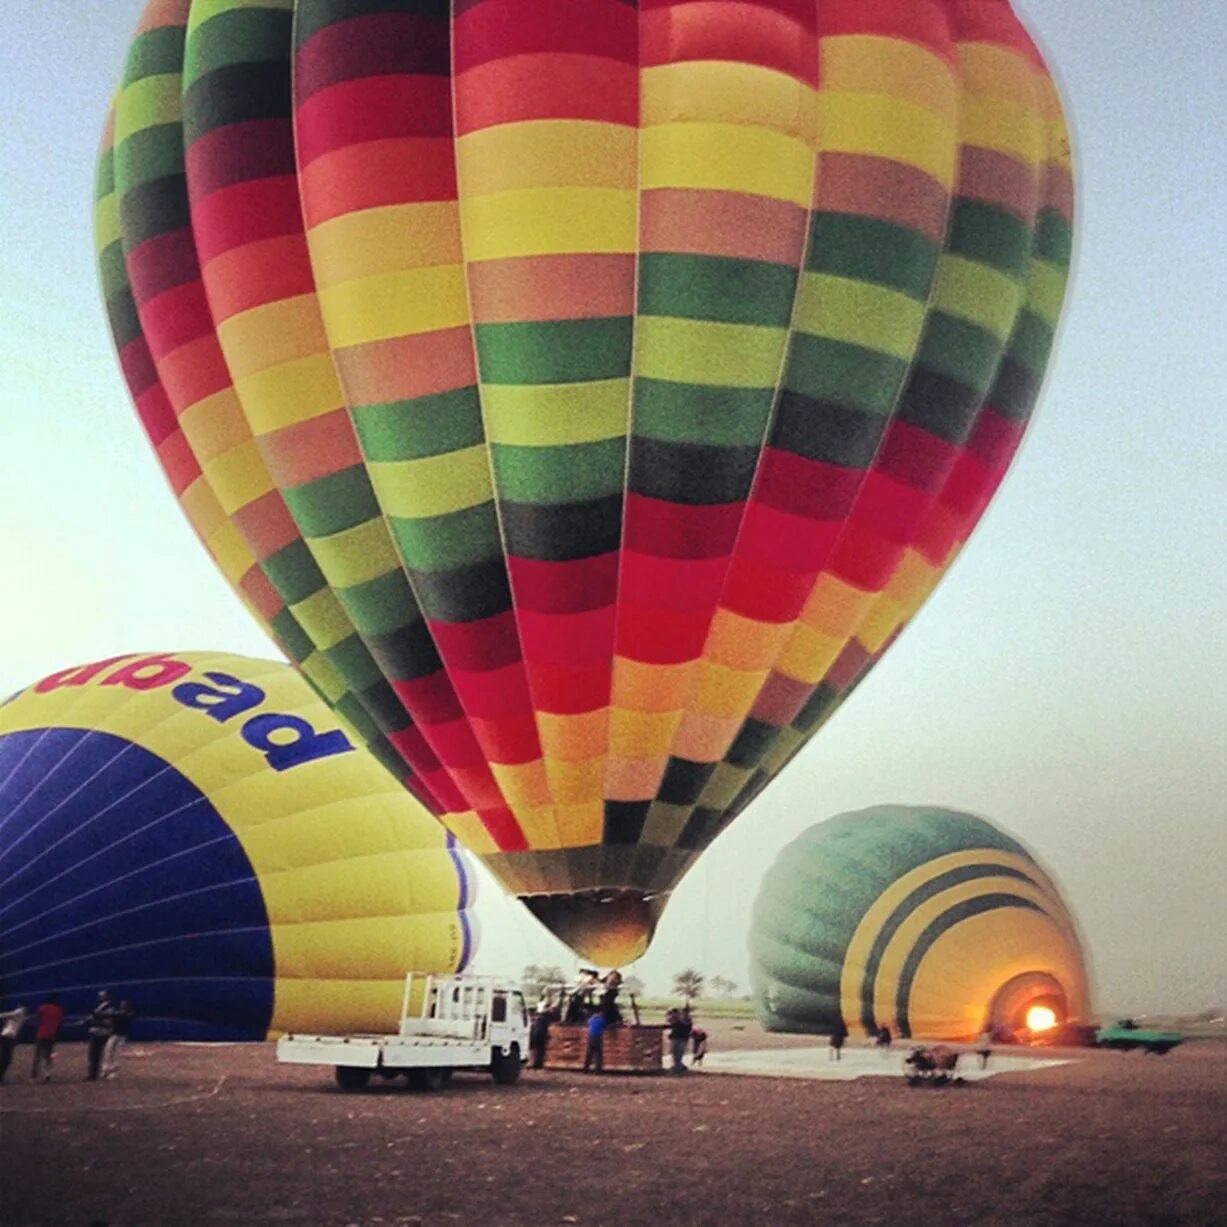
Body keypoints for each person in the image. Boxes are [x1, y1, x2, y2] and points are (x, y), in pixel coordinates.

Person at [31, 994, 65, 1083]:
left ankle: (34, 1076)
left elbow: (37, 1018)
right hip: (51, 1035)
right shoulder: (59, 1010)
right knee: (48, 1056)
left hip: (41, 1034)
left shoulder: (43, 1008)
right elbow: (60, 1023)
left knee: (37, 1056)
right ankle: (47, 1074)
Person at [86, 991, 116, 1081]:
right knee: (96, 1054)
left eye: (101, 996)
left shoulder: (108, 1008)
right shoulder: (103, 1007)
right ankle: (94, 1073)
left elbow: (103, 1019)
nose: (99, 997)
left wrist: (92, 1020)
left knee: (95, 1054)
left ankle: (93, 1074)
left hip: (100, 1032)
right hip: (100, 1031)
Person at [102, 1000, 135, 1079]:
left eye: (124, 1005)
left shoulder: (130, 1014)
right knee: (108, 1051)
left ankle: (113, 1071)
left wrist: (113, 1014)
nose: (122, 1006)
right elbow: (110, 1017)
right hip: (113, 1035)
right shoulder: (118, 1013)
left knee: (117, 1053)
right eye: (122, 1004)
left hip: (121, 1036)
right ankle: (105, 1070)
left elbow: (122, 1018)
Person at [0, 1003, 28, 1083]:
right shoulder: (19, 1012)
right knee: (6, 1058)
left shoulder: (19, 1016)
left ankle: (1, 1076)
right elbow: (6, 1014)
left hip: (8, 1037)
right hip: (8, 1036)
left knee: (6, 1058)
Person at [667, 1007, 692, 1074]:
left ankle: (677, 1067)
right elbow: (670, 1022)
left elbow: (686, 1025)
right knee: (675, 1054)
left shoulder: (687, 1020)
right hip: (676, 1038)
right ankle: (678, 1067)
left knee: (679, 1054)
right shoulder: (676, 1019)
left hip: (682, 1038)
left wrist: (677, 1019)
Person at [529, 1005, 552, 1070]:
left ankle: (535, 1064)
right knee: (540, 1051)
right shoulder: (542, 1019)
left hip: (537, 1035)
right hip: (540, 1036)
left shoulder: (536, 1019)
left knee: (536, 1050)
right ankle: (538, 1064)